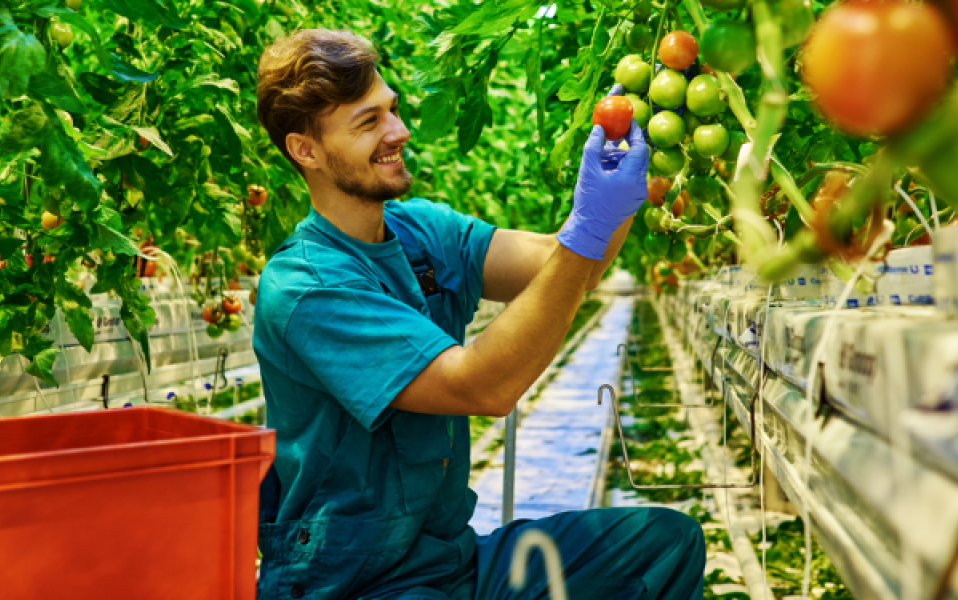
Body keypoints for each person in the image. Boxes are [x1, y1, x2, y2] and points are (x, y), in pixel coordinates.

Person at [252, 28, 705, 600]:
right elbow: (479, 387)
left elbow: (566, 267)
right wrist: (591, 226)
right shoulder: (305, 285)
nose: (399, 132)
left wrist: (618, 190)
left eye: (391, 110)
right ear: (306, 150)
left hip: (450, 562)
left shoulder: (420, 231)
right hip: (352, 584)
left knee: (664, 543)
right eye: (368, 123)